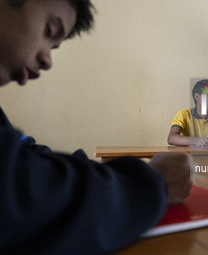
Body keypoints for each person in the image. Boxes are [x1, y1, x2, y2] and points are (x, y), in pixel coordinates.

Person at [0, 1, 192, 254]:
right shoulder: (185, 114)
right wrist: (149, 184)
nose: (47, 60)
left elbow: (25, 159)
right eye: (49, 30)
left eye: (54, 47)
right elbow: (17, 189)